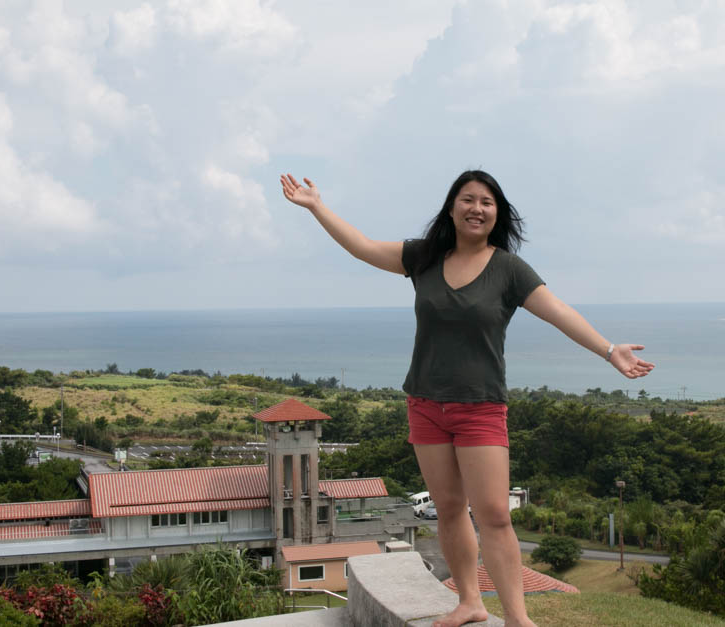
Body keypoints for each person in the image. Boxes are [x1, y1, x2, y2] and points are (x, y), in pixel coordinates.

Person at [280, 170, 654, 627]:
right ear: (452, 207)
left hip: (480, 408)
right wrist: (317, 207)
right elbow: (363, 247)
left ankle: (518, 618)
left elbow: (558, 312)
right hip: (425, 405)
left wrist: (608, 349)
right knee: (450, 508)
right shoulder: (424, 257)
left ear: (498, 213)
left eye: (487, 202)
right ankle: (470, 601)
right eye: (468, 199)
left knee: (495, 514)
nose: (477, 208)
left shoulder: (509, 269)